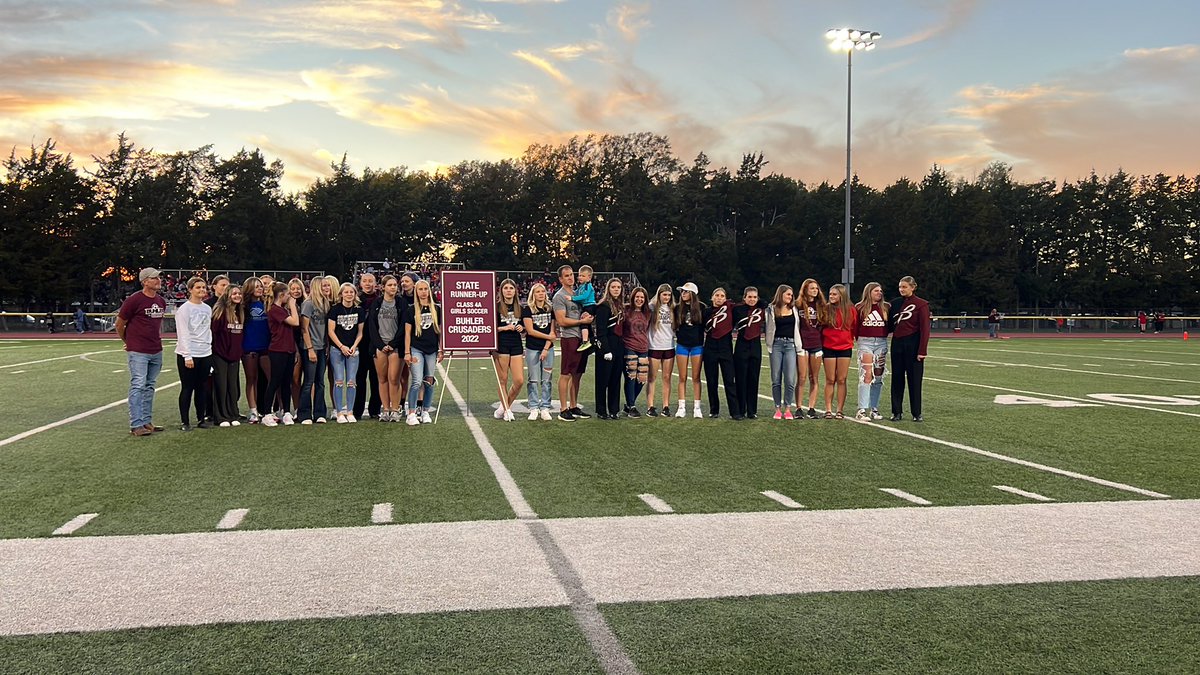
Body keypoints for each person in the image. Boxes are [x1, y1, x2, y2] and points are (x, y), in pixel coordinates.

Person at [116, 267, 166, 436]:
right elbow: (119, 324)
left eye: (158, 278)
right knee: (138, 384)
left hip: (156, 349)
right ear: (145, 281)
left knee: (150, 386)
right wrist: (128, 341)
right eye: (154, 278)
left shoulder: (161, 301)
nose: (158, 280)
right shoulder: (134, 300)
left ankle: (146, 421)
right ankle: (136, 424)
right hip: (139, 351)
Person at [552, 265, 593, 421]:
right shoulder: (559, 296)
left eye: (572, 275)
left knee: (578, 374)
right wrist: (581, 321)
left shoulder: (577, 293)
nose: (571, 277)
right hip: (569, 338)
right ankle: (563, 409)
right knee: (566, 374)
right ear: (561, 279)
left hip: (581, 339)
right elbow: (561, 321)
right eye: (567, 276)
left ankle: (573, 406)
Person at [888, 275, 931, 422]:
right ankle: (896, 412)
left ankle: (916, 413)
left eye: (905, 287)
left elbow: (925, 329)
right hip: (897, 343)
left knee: (915, 380)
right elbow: (889, 326)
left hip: (914, 344)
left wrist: (922, 350)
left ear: (913, 287)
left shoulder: (922, 304)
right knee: (897, 379)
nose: (901, 289)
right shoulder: (894, 304)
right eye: (900, 287)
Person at [174, 276, 214, 431]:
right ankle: (185, 422)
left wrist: (208, 349)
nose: (202, 290)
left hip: (205, 353)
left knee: (202, 387)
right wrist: (187, 355)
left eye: (203, 287)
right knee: (187, 388)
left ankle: (200, 419)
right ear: (190, 289)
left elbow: (207, 330)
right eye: (198, 287)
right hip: (189, 354)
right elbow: (183, 333)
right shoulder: (184, 309)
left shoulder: (207, 308)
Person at [405, 279, 444, 425]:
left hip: (432, 350)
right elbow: (408, 333)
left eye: (425, 289)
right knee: (416, 381)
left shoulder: (437, 309)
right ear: (416, 291)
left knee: (429, 381)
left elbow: (440, 331)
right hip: (416, 349)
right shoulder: (411, 310)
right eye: (420, 289)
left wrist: (441, 349)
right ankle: (412, 413)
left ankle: (425, 411)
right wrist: (407, 352)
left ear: (429, 291)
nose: (423, 292)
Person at [261, 282, 300, 427]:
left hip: (289, 349)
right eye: (288, 294)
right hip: (278, 350)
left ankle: (286, 412)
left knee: (286, 382)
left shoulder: (282, 310)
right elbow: (295, 322)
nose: (290, 297)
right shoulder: (275, 310)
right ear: (282, 295)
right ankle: (266, 413)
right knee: (275, 381)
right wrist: (292, 305)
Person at [368, 275, 404, 422]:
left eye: (395, 285)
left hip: (395, 346)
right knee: (382, 379)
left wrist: (393, 344)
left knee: (394, 378)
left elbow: (403, 326)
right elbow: (372, 326)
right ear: (383, 287)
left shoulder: (400, 303)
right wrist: (381, 345)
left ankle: (395, 409)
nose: (393, 287)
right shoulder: (376, 303)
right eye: (390, 285)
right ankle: (386, 409)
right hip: (380, 346)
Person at [298, 275, 334, 424]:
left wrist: (325, 346)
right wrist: (310, 349)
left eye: (328, 286)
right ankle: (304, 414)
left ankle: (320, 413)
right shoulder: (308, 304)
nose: (327, 288)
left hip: (322, 347)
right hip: (310, 347)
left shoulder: (326, 304)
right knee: (309, 381)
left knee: (320, 381)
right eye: (324, 286)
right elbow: (304, 329)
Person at [327, 282, 365, 423]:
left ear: (355, 294)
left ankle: (350, 411)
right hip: (337, 349)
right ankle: (338, 413)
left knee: (351, 381)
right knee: (338, 380)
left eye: (351, 292)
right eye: (346, 292)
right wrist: (341, 346)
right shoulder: (335, 310)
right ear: (341, 294)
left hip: (353, 350)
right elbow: (330, 331)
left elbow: (360, 332)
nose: (349, 294)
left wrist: (354, 346)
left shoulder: (359, 310)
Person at [702, 287, 741, 419]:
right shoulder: (705, 312)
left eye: (722, 296)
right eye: (717, 295)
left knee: (729, 381)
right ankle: (714, 410)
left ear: (725, 298)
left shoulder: (730, 309)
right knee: (711, 381)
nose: (719, 298)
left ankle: (734, 411)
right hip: (710, 348)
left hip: (726, 349)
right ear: (712, 297)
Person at [210, 283, 244, 427]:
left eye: (239, 293)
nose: (238, 296)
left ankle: (232, 413)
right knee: (221, 386)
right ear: (228, 295)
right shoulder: (220, 312)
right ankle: (220, 416)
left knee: (233, 387)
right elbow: (213, 334)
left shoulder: (240, 312)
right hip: (220, 355)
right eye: (234, 293)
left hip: (234, 356)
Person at [854, 282, 889, 421]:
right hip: (865, 342)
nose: (879, 293)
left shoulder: (886, 307)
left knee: (879, 375)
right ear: (869, 292)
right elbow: (856, 326)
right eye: (876, 291)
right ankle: (862, 409)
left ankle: (874, 408)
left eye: (880, 291)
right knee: (867, 374)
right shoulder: (860, 307)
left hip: (881, 342)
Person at [764, 284, 800, 420]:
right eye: (788, 294)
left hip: (791, 344)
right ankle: (777, 408)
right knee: (776, 378)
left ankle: (788, 408)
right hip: (776, 345)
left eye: (791, 295)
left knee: (790, 379)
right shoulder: (771, 309)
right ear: (781, 294)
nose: (790, 297)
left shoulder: (794, 309)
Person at [821, 284, 857, 419]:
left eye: (834, 294)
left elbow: (854, 327)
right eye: (830, 294)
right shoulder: (826, 309)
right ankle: (828, 410)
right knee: (830, 379)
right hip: (829, 347)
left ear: (841, 295)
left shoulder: (851, 310)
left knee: (842, 379)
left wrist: (850, 340)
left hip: (845, 347)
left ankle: (840, 410)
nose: (831, 296)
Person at [732, 286, 768, 419]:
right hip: (741, 345)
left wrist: (760, 302)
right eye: (749, 297)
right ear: (744, 298)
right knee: (740, 379)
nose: (752, 299)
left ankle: (752, 410)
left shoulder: (761, 309)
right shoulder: (737, 309)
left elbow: (768, 304)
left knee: (754, 378)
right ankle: (740, 409)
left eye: (754, 297)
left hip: (755, 345)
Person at [522, 282, 556, 421]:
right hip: (532, 348)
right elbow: (530, 331)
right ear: (533, 294)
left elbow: (553, 331)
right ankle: (533, 407)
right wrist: (548, 337)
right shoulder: (527, 309)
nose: (541, 294)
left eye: (543, 291)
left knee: (547, 379)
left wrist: (546, 348)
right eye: (537, 292)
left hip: (548, 349)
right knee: (533, 380)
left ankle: (545, 407)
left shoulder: (550, 309)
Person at [593, 278, 626, 420]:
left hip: (619, 346)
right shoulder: (603, 306)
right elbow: (600, 331)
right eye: (613, 287)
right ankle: (601, 410)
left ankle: (614, 409)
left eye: (618, 287)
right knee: (603, 380)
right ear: (608, 289)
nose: (616, 289)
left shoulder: (621, 306)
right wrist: (605, 350)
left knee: (615, 379)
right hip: (606, 346)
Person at [493, 278, 526, 422]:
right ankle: (507, 410)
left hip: (516, 344)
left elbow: (526, 328)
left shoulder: (520, 307)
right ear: (501, 290)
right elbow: (489, 328)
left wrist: (522, 328)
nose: (508, 290)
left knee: (519, 380)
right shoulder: (496, 307)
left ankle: (504, 406)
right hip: (501, 344)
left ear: (515, 291)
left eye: (511, 288)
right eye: (505, 288)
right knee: (503, 379)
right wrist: (504, 328)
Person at [240, 277, 270, 423]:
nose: (259, 288)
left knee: (272, 378)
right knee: (252, 379)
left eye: (260, 286)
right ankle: (253, 411)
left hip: (266, 347)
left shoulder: (266, 303)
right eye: (256, 286)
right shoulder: (243, 306)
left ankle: (271, 410)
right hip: (249, 347)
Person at [354, 273, 383, 420]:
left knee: (375, 378)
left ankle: (375, 409)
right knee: (359, 378)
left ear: (375, 283)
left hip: (376, 344)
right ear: (360, 283)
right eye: (364, 281)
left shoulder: (381, 300)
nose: (367, 284)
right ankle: (357, 410)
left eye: (370, 281)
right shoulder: (356, 300)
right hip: (359, 344)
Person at [674, 282, 705, 418]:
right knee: (682, 377)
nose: (683, 294)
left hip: (697, 345)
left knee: (696, 377)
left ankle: (697, 407)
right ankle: (682, 407)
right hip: (682, 345)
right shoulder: (677, 308)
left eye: (686, 291)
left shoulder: (702, 307)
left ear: (692, 293)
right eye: (682, 291)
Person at [796, 279, 826, 419]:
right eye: (812, 288)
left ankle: (812, 408)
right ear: (805, 289)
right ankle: (798, 408)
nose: (815, 290)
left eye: (816, 288)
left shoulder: (821, 305)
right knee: (801, 377)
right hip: (802, 344)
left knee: (813, 378)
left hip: (816, 344)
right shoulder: (798, 304)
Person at [645, 284, 676, 418]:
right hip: (654, 346)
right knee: (652, 377)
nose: (666, 297)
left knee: (667, 377)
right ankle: (650, 406)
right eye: (664, 294)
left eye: (669, 295)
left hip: (669, 346)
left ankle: (666, 406)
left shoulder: (673, 308)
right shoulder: (652, 307)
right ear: (659, 295)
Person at [621, 286, 651, 418]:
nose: (639, 299)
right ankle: (632, 406)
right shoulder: (626, 310)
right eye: (637, 297)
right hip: (629, 346)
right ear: (633, 297)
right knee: (631, 377)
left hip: (643, 347)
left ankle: (628, 405)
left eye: (642, 297)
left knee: (642, 379)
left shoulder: (648, 312)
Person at [573, 265, 598, 353]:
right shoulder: (581, 286)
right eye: (579, 275)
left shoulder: (588, 286)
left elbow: (584, 296)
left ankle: (585, 341)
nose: (580, 277)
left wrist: (572, 298)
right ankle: (591, 340)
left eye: (583, 276)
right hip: (585, 306)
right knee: (586, 324)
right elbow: (576, 292)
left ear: (589, 277)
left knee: (583, 322)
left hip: (590, 306)